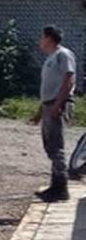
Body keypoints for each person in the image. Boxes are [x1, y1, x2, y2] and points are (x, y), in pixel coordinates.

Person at [32, 25, 76, 202]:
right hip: (49, 105)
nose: (40, 41)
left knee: (56, 146)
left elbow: (69, 79)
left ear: (49, 38)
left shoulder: (63, 55)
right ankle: (55, 185)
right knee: (50, 145)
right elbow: (49, 89)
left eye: (42, 37)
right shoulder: (51, 58)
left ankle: (61, 188)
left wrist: (58, 104)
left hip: (59, 104)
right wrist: (40, 111)